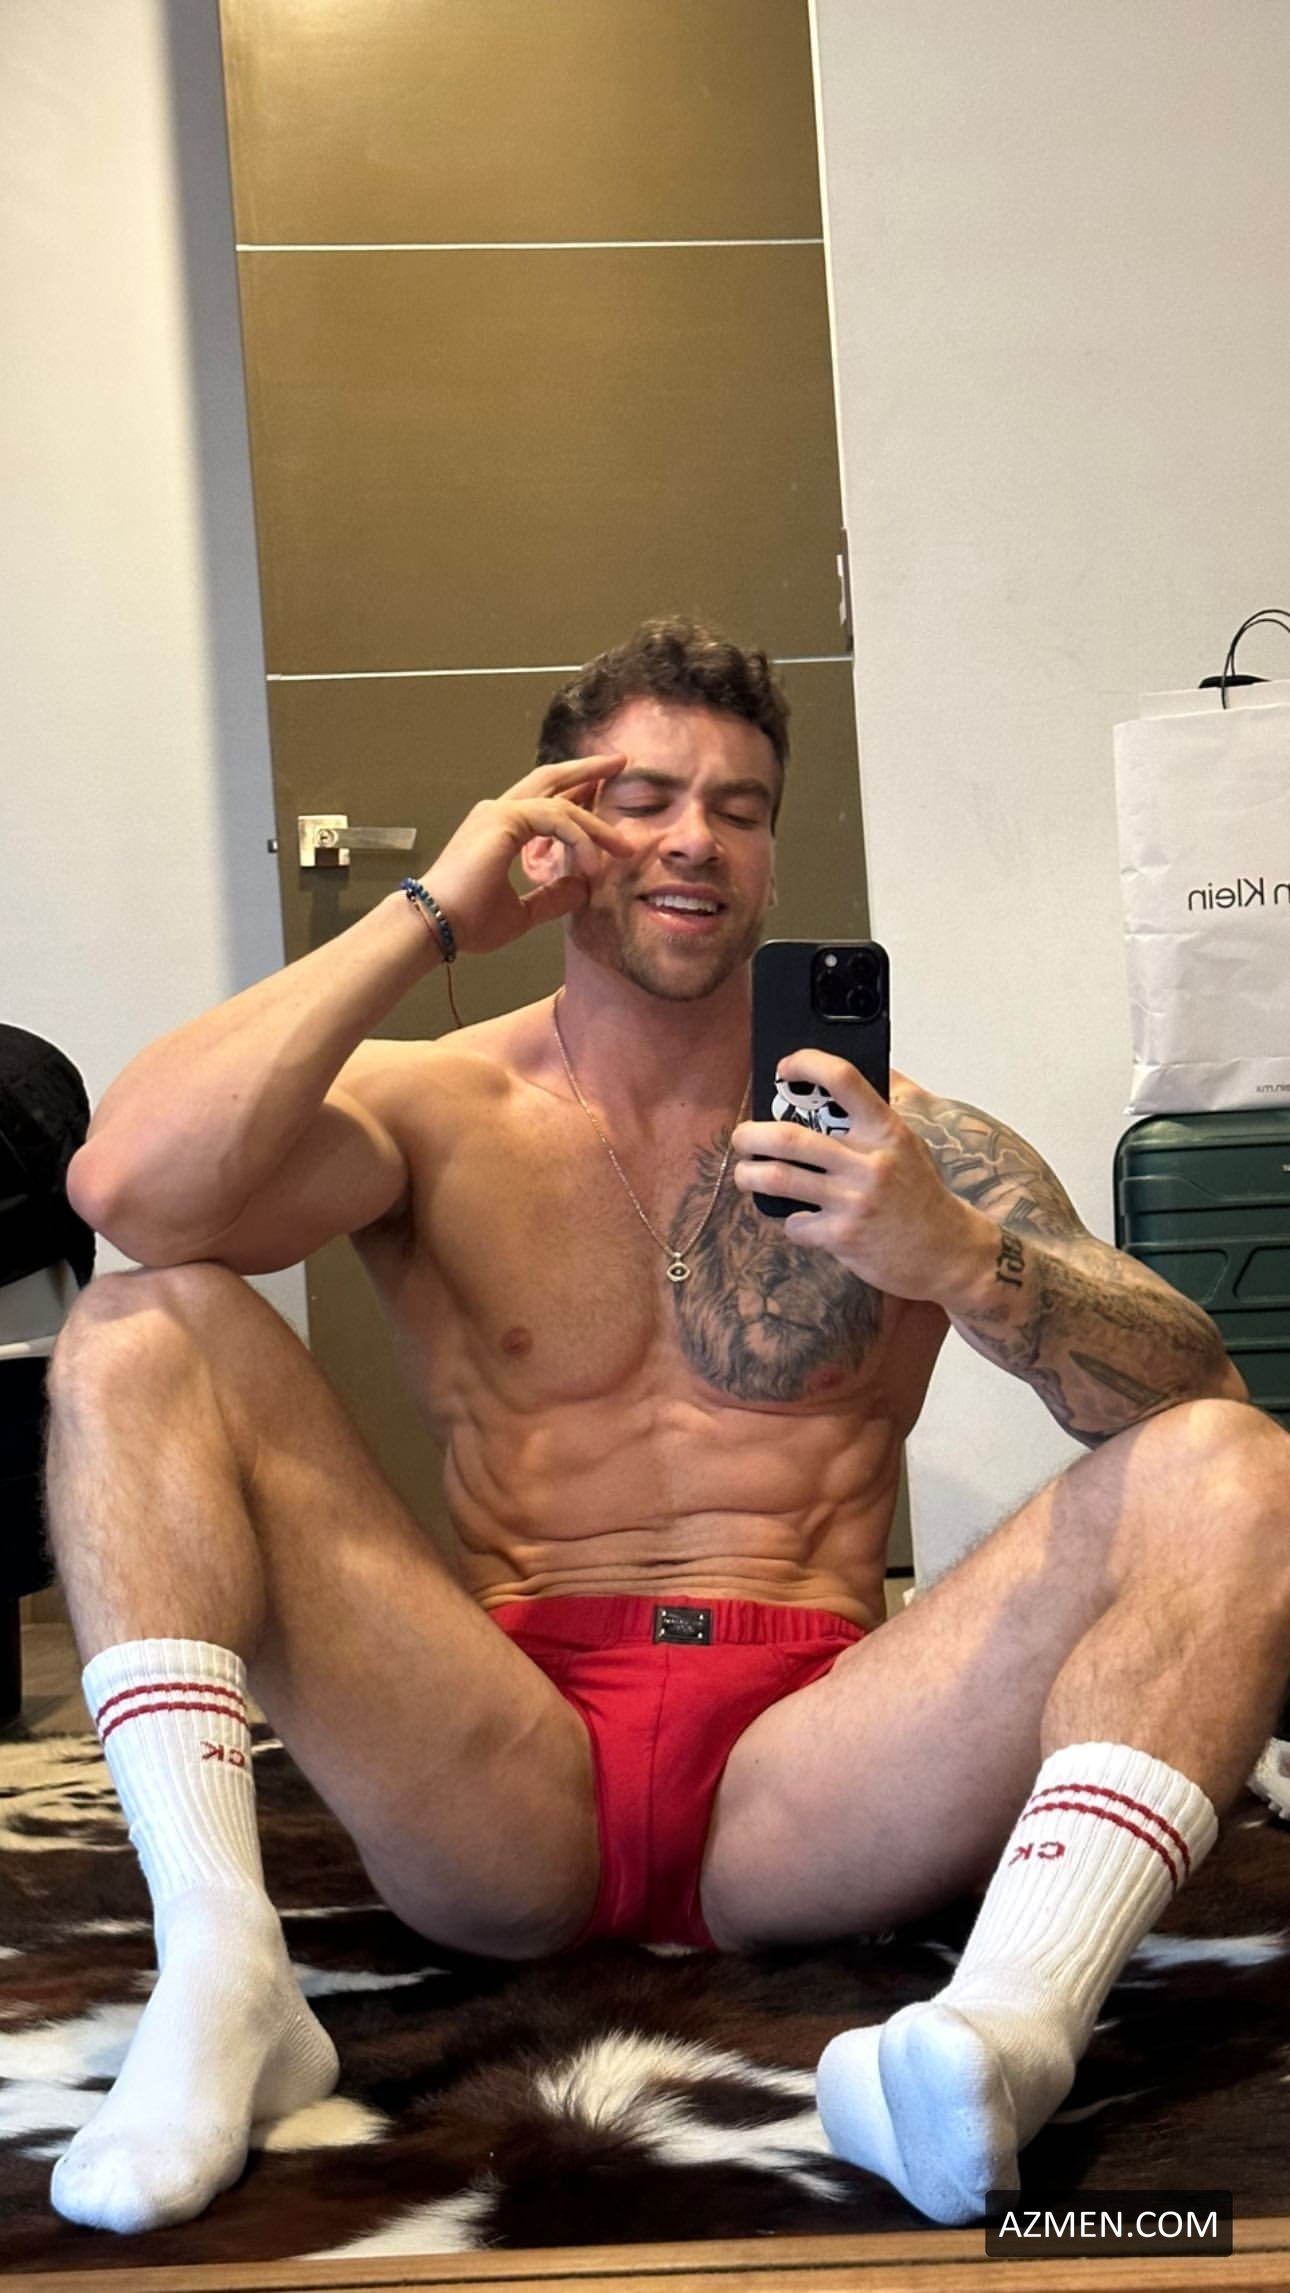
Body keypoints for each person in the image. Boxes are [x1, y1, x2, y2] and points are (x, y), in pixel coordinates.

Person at [45, 618, 1289, 2236]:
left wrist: (954, 1256)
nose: (695, 837)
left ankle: (1000, 2033)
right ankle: (224, 1967)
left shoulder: (907, 1145)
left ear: (769, 853)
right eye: (642, 798)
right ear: (553, 828)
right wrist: (430, 915)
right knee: (142, 1324)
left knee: (1240, 1464)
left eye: (738, 806)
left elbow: (1193, 1396)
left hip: (815, 1774)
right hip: (502, 1764)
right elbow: (126, 1192)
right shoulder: (433, 1105)